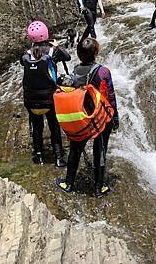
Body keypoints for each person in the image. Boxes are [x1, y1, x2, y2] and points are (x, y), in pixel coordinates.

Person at [55, 38, 119, 198]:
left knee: (76, 149)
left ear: (78, 54)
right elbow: (110, 95)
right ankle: (99, 188)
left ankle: (68, 183)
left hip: (82, 115)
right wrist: (115, 117)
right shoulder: (104, 72)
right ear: (96, 53)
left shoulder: (76, 70)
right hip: (100, 117)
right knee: (100, 149)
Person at [20, 20, 70, 167]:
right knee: (54, 126)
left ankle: (39, 156)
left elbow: (23, 62)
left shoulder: (26, 55)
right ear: (46, 34)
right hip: (49, 100)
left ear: (31, 38)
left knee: (37, 127)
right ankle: (59, 157)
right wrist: (57, 46)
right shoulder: (53, 52)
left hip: (31, 101)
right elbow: (67, 57)